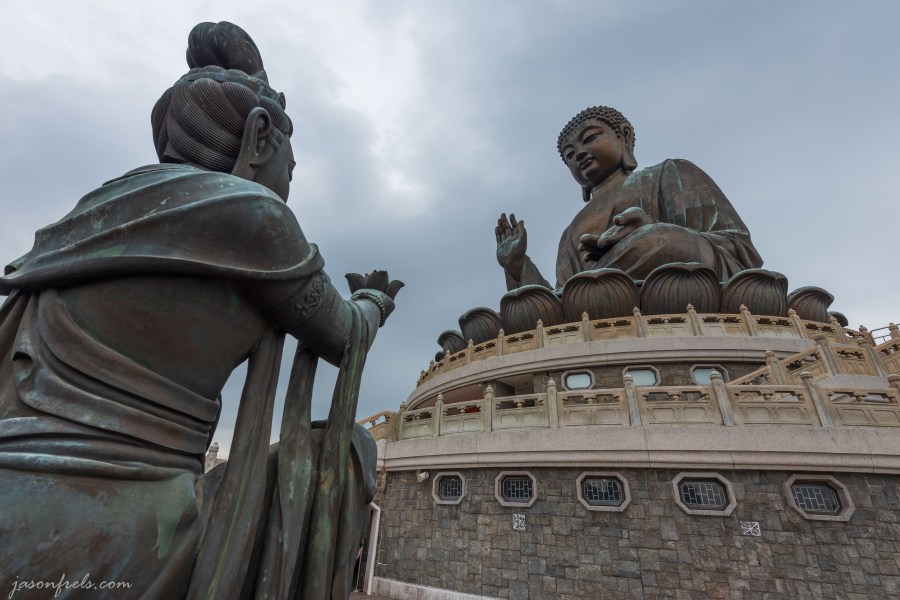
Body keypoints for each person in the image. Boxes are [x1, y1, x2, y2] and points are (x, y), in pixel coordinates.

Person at [0, 22, 400, 599]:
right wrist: (373, 301)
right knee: (350, 452)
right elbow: (342, 336)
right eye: (291, 159)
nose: (291, 176)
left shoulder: (100, 206)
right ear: (260, 136)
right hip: (123, 520)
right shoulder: (252, 215)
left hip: (16, 476)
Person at [496, 105, 763, 291]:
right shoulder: (570, 232)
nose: (578, 153)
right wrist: (517, 266)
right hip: (597, 305)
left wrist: (653, 230)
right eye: (569, 155)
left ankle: (602, 283)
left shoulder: (669, 173)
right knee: (547, 301)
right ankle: (599, 287)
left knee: (654, 242)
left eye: (589, 138)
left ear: (623, 137)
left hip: (681, 289)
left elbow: (738, 248)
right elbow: (562, 294)